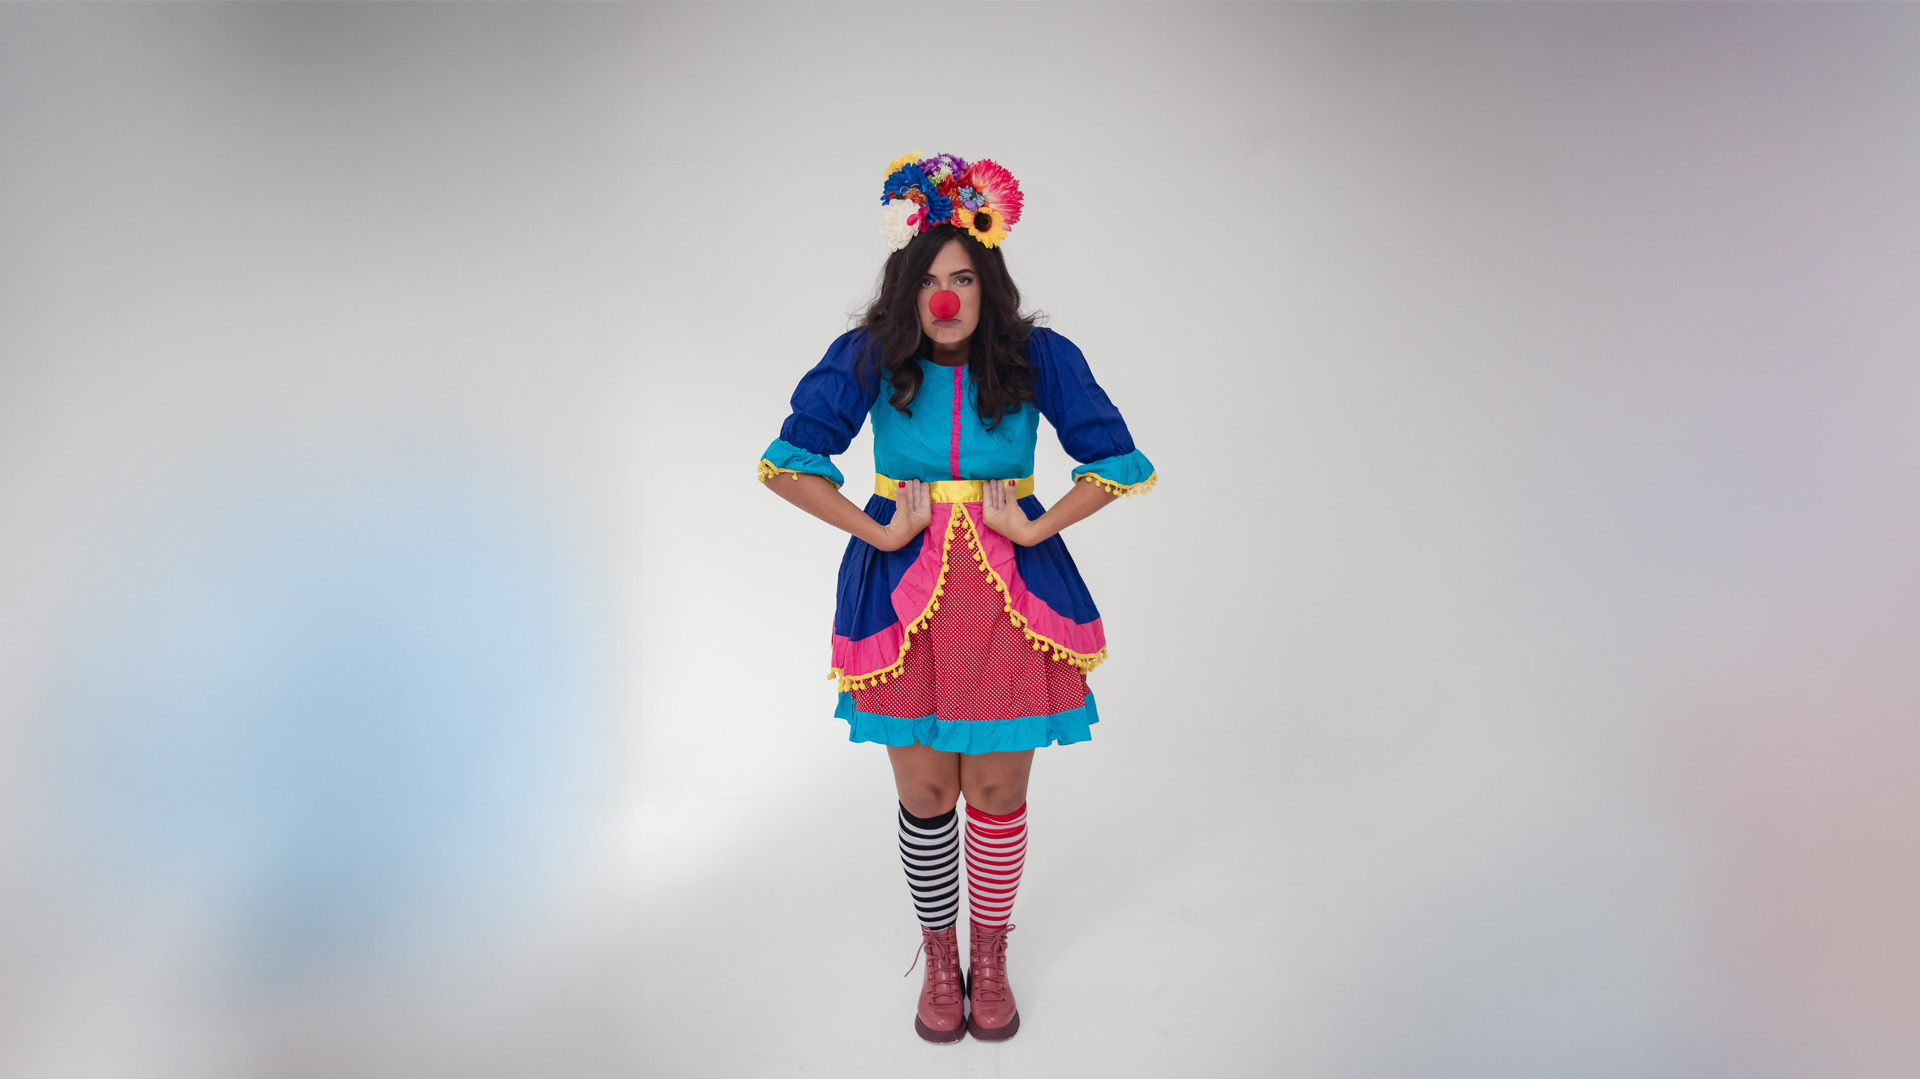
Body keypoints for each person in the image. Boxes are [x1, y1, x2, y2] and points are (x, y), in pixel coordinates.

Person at [756, 153, 1156, 1043]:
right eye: (930, 279)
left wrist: (1039, 524)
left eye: (964, 277)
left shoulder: (1036, 355)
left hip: (1011, 594)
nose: (947, 296)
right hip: (902, 596)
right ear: (907, 288)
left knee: (999, 785)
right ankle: (941, 958)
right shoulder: (869, 356)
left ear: (989, 282)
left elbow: (1117, 459)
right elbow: (790, 463)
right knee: (929, 785)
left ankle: (992, 952)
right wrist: (880, 531)